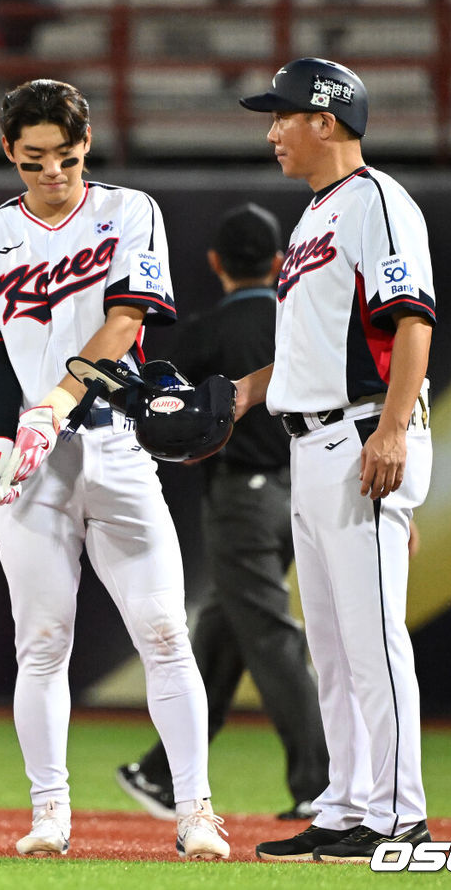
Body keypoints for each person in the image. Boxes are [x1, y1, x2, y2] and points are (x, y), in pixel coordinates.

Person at [0, 78, 229, 861]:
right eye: (34, 159)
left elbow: (127, 319)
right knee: (40, 641)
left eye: (66, 158)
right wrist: (3, 440)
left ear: (86, 145)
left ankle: (196, 811)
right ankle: (49, 813)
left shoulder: (127, 211)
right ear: (9, 151)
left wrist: (55, 404)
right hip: (32, 464)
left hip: (114, 442)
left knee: (166, 631)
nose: (52, 174)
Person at [236, 58, 436, 863]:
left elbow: (412, 320)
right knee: (332, 642)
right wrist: (238, 396)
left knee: (373, 639)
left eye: (282, 115)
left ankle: (400, 815)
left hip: (360, 436)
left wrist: (391, 433)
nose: (273, 130)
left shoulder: (378, 202)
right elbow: (307, 352)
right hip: (310, 440)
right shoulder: (315, 216)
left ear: (327, 120)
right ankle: (348, 806)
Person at [117, 202, 329, 824]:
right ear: (278, 262)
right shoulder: (303, 321)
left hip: (242, 499)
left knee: (266, 631)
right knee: (224, 628)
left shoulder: (206, 335)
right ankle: (161, 773)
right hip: (305, 488)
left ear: (214, 264)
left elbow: (174, 425)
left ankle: (320, 783)